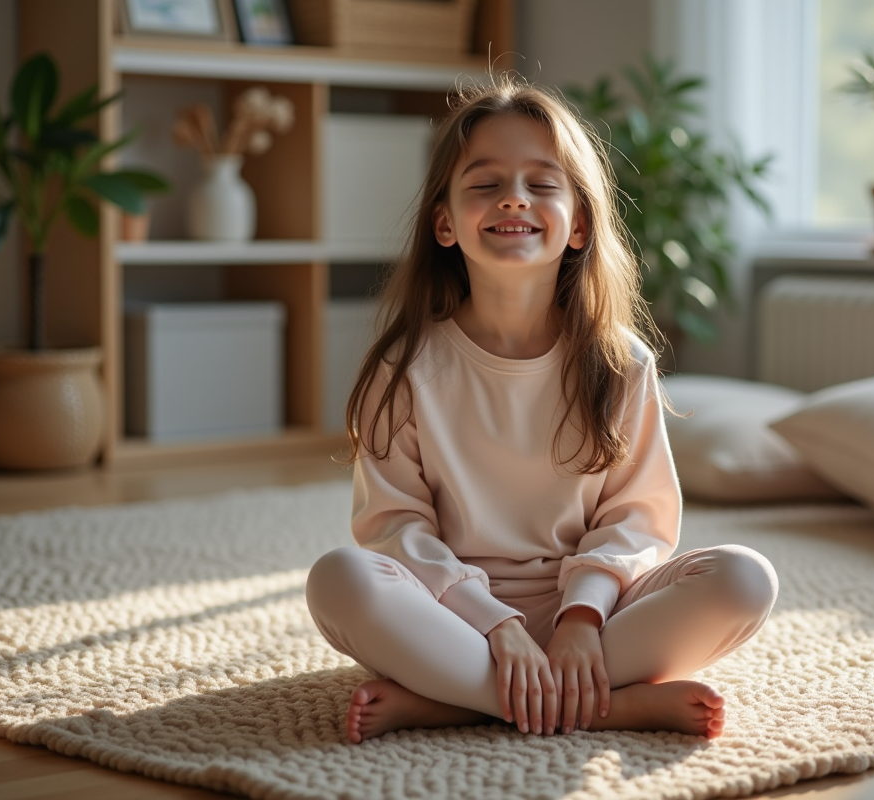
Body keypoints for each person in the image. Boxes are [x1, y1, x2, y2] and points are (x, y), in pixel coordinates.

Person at [306, 76, 778, 745]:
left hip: (597, 615)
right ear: (444, 223)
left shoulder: (620, 362)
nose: (513, 198)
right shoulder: (405, 368)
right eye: (485, 182)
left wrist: (580, 618)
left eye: (541, 182)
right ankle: (602, 706)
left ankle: (455, 702)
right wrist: (496, 625)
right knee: (339, 578)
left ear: (579, 223)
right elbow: (395, 528)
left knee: (745, 579)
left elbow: (634, 520)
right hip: (453, 616)